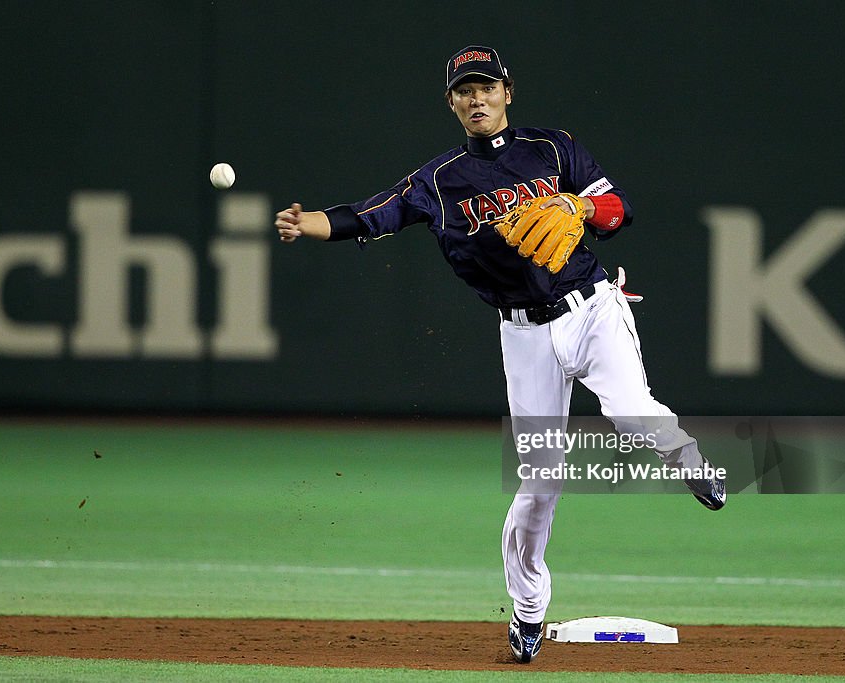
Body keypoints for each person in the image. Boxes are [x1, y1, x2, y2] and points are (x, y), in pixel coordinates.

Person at [274, 45, 726, 664]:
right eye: (465, 90)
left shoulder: (552, 149)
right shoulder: (438, 180)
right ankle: (527, 613)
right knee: (541, 482)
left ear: (507, 92)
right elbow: (370, 215)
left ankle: (687, 457)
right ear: (453, 103)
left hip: (591, 305)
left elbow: (617, 209)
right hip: (523, 333)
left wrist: (577, 206)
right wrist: (311, 224)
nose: (476, 98)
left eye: (486, 86)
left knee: (632, 411)